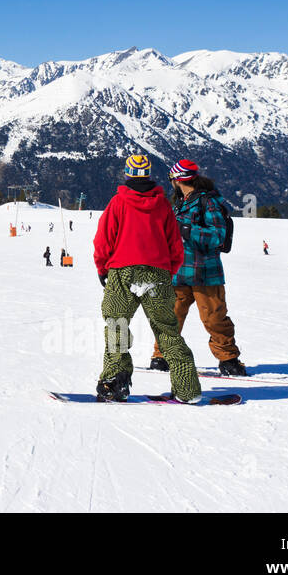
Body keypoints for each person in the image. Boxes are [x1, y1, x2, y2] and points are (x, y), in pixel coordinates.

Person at [92, 154, 199, 403]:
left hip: (123, 272)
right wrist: (167, 271)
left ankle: (113, 384)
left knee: (117, 325)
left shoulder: (118, 203)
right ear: (149, 174)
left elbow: (103, 239)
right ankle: (187, 389)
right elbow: (175, 245)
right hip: (158, 273)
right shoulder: (162, 205)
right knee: (167, 330)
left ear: (128, 173)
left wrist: (102, 267)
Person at [149, 158, 245, 377]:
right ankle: (162, 356)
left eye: (171, 179)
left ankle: (229, 359)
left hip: (205, 273)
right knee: (169, 316)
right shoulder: (181, 202)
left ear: (178, 179)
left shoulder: (208, 202)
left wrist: (186, 230)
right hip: (179, 272)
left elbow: (217, 236)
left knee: (214, 318)